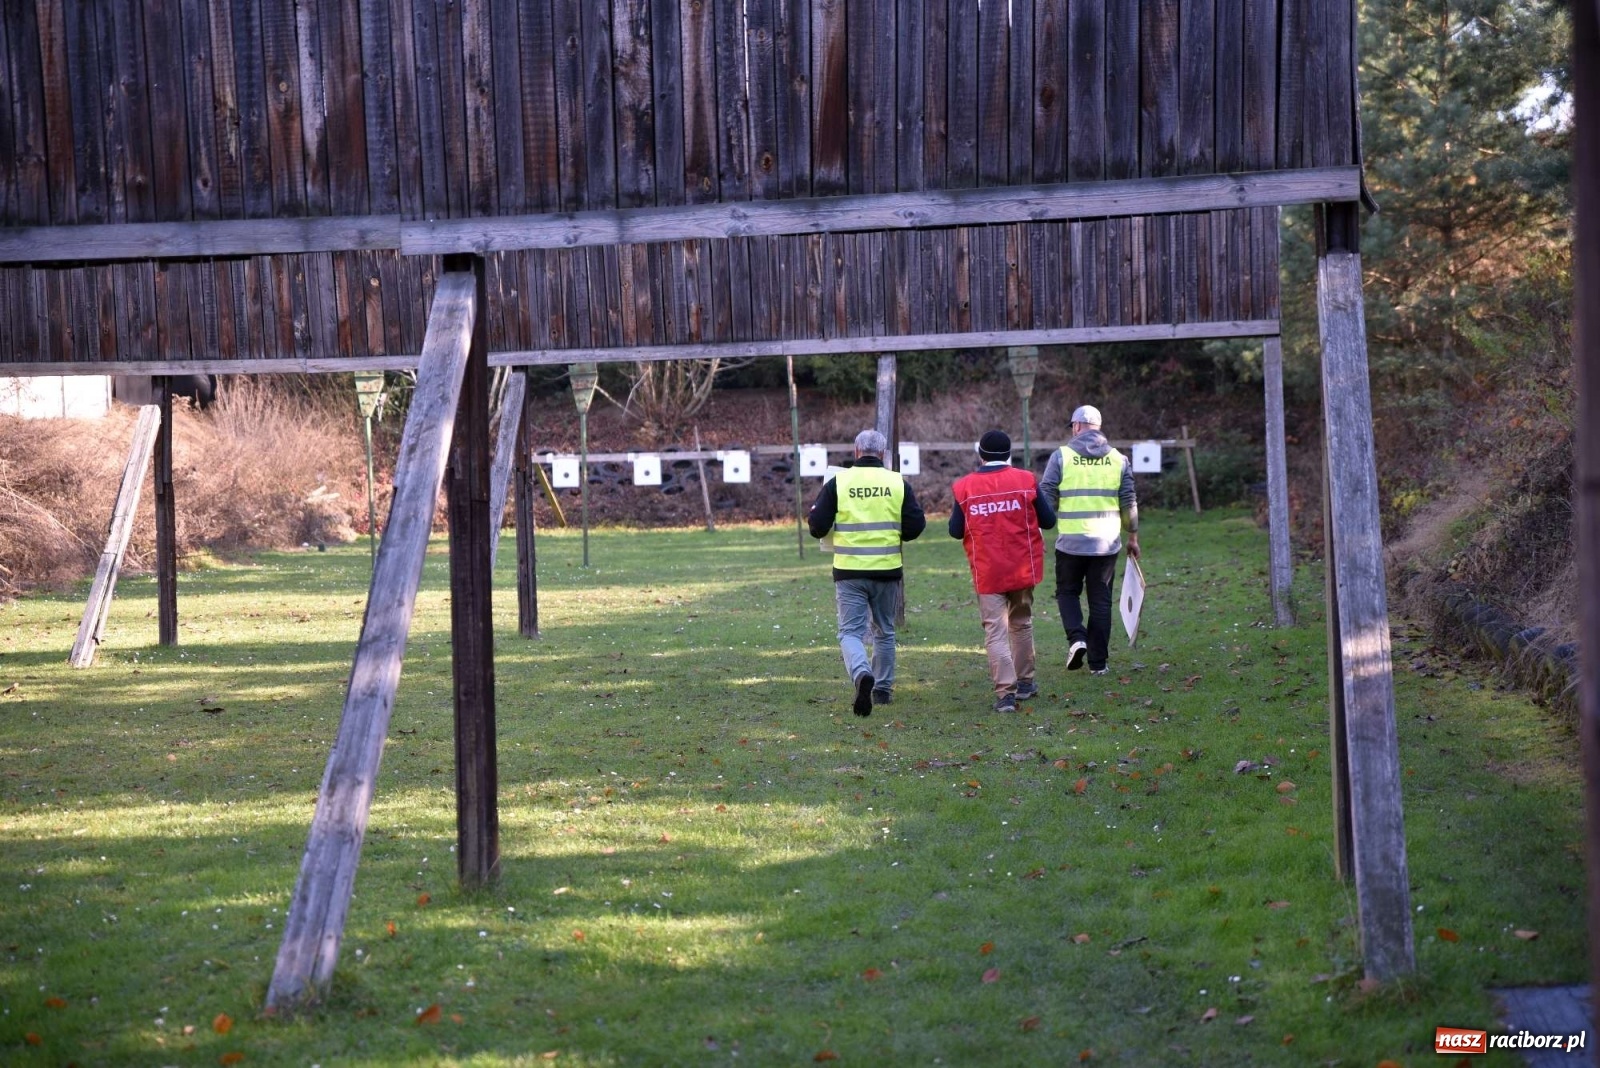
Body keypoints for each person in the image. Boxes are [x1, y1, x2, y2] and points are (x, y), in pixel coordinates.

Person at [808, 429, 927, 716]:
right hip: (886, 570)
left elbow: (817, 527)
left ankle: (861, 673)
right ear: (883, 453)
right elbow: (915, 526)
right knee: (884, 630)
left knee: (850, 631)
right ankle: (883, 690)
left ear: (856, 451)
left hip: (849, 571)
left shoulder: (839, 482)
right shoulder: (897, 482)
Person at [949, 430, 1057, 713]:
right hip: (1023, 566)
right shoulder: (1026, 480)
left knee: (995, 631)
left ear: (981, 454)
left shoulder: (965, 487)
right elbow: (1048, 520)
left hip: (988, 570)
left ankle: (1005, 695)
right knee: (1021, 622)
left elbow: (953, 530)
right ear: (1009, 453)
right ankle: (1025, 683)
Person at [1039, 405, 1140, 677]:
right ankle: (1099, 664)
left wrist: (1040, 529)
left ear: (1076, 427)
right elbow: (1128, 500)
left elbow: (1046, 493)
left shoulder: (1061, 456)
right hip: (1106, 544)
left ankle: (1077, 639)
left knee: (1067, 592)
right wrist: (1132, 536)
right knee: (1100, 601)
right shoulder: (1119, 459)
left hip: (1071, 542)